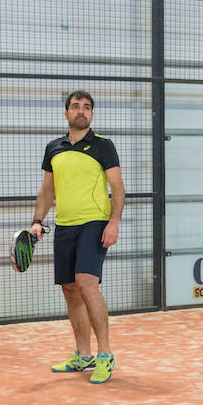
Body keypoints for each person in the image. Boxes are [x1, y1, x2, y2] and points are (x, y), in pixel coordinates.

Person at [30, 90, 125, 384]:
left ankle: (105, 355)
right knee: (70, 289)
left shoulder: (103, 146)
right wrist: (37, 221)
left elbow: (118, 188)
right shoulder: (53, 148)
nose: (81, 111)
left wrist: (114, 222)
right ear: (66, 113)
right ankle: (83, 355)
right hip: (65, 226)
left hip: (94, 223)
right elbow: (47, 190)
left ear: (92, 114)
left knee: (86, 284)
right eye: (75, 106)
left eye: (86, 107)